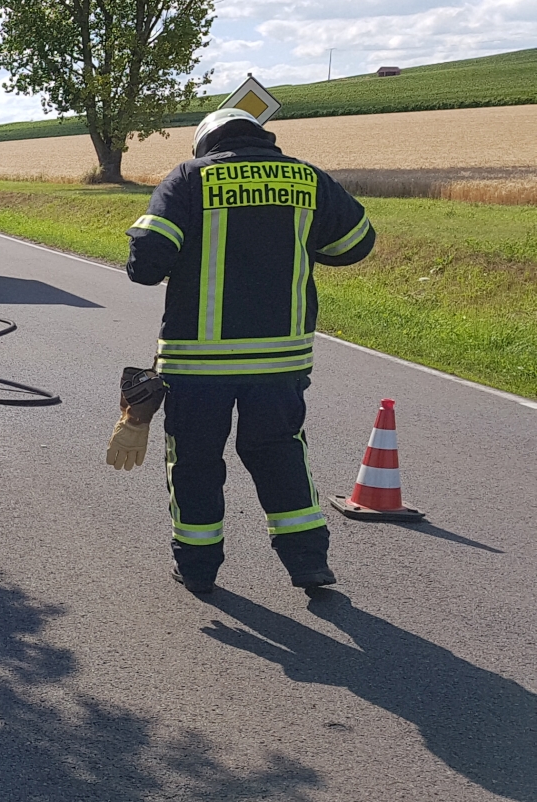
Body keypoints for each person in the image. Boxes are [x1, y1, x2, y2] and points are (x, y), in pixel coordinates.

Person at [111, 107, 376, 594]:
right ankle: (308, 561)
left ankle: (197, 568)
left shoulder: (190, 178)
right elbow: (356, 243)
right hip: (281, 360)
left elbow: (146, 264)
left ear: (205, 143)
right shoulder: (307, 178)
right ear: (261, 137)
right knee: (280, 452)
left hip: (198, 362)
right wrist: (298, 244)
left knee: (194, 461)